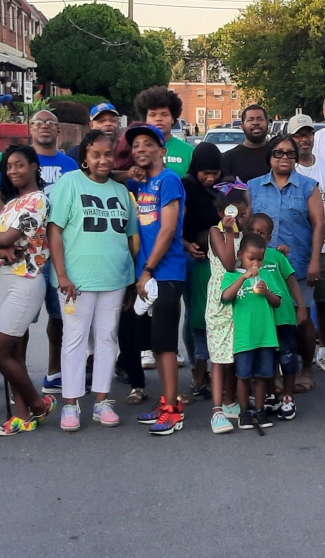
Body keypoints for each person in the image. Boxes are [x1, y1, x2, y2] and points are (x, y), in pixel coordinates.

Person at [49, 129, 141, 432]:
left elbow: (130, 238)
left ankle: (102, 401)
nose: (103, 160)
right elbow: (56, 231)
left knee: (107, 338)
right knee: (74, 341)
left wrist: (131, 280)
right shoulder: (69, 183)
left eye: (108, 154)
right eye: (96, 155)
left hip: (114, 279)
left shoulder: (120, 191)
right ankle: (71, 404)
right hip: (77, 280)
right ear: (85, 158)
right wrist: (62, 274)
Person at [0, 144, 54, 436]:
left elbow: (5, 237)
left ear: (34, 166)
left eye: (20, 165)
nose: (13, 171)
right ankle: (21, 416)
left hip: (25, 280)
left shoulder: (37, 201)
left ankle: (38, 402)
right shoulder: (10, 205)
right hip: (1, 279)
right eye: (9, 167)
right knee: (14, 352)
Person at [248, 133, 325, 385]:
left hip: (300, 266)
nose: (285, 158)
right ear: (269, 157)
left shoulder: (309, 187)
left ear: (296, 158)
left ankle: (306, 370)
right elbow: (245, 226)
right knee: (270, 322)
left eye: (290, 153)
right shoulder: (252, 186)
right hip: (264, 269)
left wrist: (315, 260)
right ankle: (276, 375)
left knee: (301, 320)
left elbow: (318, 226)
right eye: (278, 153)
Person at [128, 123, 187, 434]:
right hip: (148, 273)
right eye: (135, 145)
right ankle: (165, 400)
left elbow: (167, 229)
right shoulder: (143, 183)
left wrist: (149, 269)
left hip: (167, 272)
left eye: (148, 144)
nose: (140, 149)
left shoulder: (169, 180)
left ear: (163, 150)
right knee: (156, 340)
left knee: (165, 343)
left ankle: (173, 410)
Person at [26, 110, 78, 394]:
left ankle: (55, 371)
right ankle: (18, 377)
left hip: (61, 249)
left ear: (59, 131)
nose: (44, 127)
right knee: (21, 318)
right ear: (30, 129)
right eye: (38, 122)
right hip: (28, 251)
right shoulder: (22, 160)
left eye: (50, 123)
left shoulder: (70, 165)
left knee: (60, 316)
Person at [292, 118, 325, 372]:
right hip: (292, 247)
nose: (304, 139)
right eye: (299, 135)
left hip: (324, 247)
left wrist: (320, 235)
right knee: (294, 302)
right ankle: (295, 354)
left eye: (308, 134)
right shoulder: (288, 168)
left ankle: (323, 351)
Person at [220, 231, 287, 433]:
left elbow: (278, 301)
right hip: (244, 337)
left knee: (263, 375)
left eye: (259, 259)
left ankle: (259, 410)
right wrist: (243, 278)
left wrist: (266, 290)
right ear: (241, 255)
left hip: (265, 336)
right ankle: (244, 412)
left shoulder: (266, 276)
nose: (255, 263)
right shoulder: (231, 275)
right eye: (251, 259)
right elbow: (226, 297)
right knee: (243, 375)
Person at [248, 211, 308, 419]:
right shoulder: (245, 258)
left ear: (270, 238)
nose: (257, 235)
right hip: (262, 321)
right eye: (252, 231)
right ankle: (272, 395)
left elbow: (292, 281)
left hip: (283, 318)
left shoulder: (276, 256)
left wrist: (301, 307)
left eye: (261, 232)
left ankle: (288, 398)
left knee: (288, 357)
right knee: (267, 360)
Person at [179, 141, 226, 399]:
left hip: (219, 257)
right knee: (195, 314)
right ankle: (198, 369)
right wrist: (187, 245)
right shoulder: (186, 186)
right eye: (205, 173)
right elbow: (176, 222)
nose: (210, 178)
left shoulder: (226, 186)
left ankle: (217, 368)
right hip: (193, 256)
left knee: (219, 312)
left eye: (214, 173)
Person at [205, 184, 250, 432]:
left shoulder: (241, 233)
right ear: (222, 211)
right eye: (234, 213)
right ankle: (217, 411)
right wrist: (230, 233)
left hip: (240, 300)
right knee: (219, 358)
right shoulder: (216, 232)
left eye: (243, 214)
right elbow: (230, 265)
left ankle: (231, 402)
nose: (239, 218)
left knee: (234, 354)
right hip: (220, 300)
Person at [132, 85, 194, 178]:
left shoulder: (189, 152)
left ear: (173, 118)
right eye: (153, 115)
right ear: (145, 119)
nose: (158, 119)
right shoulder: (136, 150)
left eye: (164, 114)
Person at [222, 103, 276, 183]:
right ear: (242, 126)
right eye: (250, 120)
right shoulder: (228, 159)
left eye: (260, 119)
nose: (255, 123)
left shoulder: (278, 154)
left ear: (267, 123)